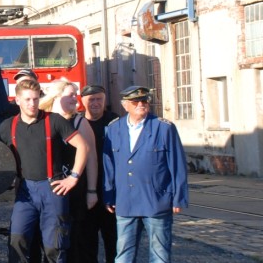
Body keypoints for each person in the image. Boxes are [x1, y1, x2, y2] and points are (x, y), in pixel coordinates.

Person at [0, 79, 90, 263]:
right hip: (25, 191)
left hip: (52, 189)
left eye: (35, 99)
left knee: (54, 246)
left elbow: (83, 146)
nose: (32, 104)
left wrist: (73, 177)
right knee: (17, 240)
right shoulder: (8, 126)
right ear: (18, 100)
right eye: (27, 99)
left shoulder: (54, 120)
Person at [103, 86, 188, 263]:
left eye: (144, 101)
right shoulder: (114, 128)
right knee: (124, 253)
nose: (141, 104)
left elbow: (177, 164)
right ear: (125, 105)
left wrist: (178, 197)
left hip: (156, 200)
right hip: (126, 200)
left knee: (159, 253)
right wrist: (108, 195)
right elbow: (108, 166)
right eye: (136, 102)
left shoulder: (163, 128)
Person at [39, 80, 99, 263]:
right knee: (50, 239)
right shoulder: (43, 120)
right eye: (71, 95)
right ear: (56, 97)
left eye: (76, 94)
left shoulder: (79, 122)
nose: (75, 99)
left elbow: (91, 158)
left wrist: (91, 191)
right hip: (49, 189)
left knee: (75, 239)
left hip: (75, 189)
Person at [78, 84, 119, 263]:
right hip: (86, 189)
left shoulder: (115, 122)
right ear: (82, 101)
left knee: (114, 239)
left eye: (99, 99)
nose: (95, 103)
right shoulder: (77, 122)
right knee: (87, 239)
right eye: (91, 99)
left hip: (111, 189)